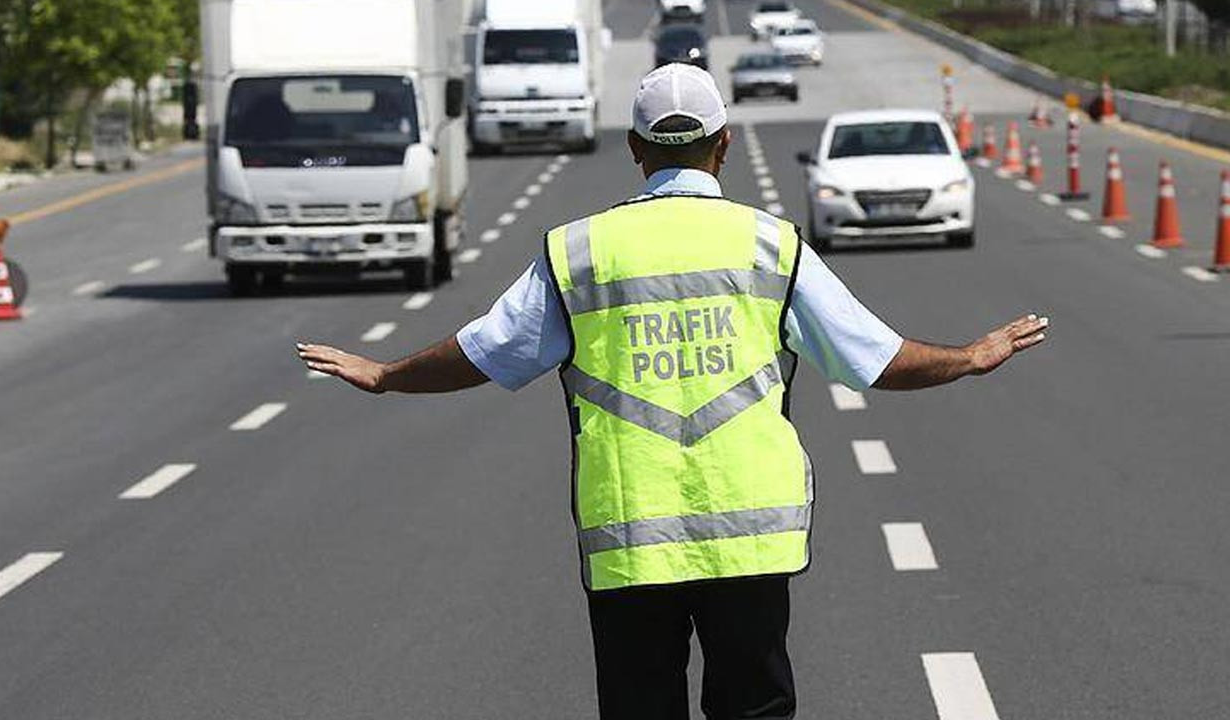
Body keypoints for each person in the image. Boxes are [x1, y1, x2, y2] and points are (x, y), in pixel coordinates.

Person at [297, 64, 1049, 720]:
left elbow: (486, 352)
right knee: (754, 708)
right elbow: (875, 360)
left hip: (631, 536)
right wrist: (971, 355)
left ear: (634, 150)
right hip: (751, 539)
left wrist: (387, 376)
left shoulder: (580, 252)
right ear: (723, 146)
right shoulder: (770, 244)